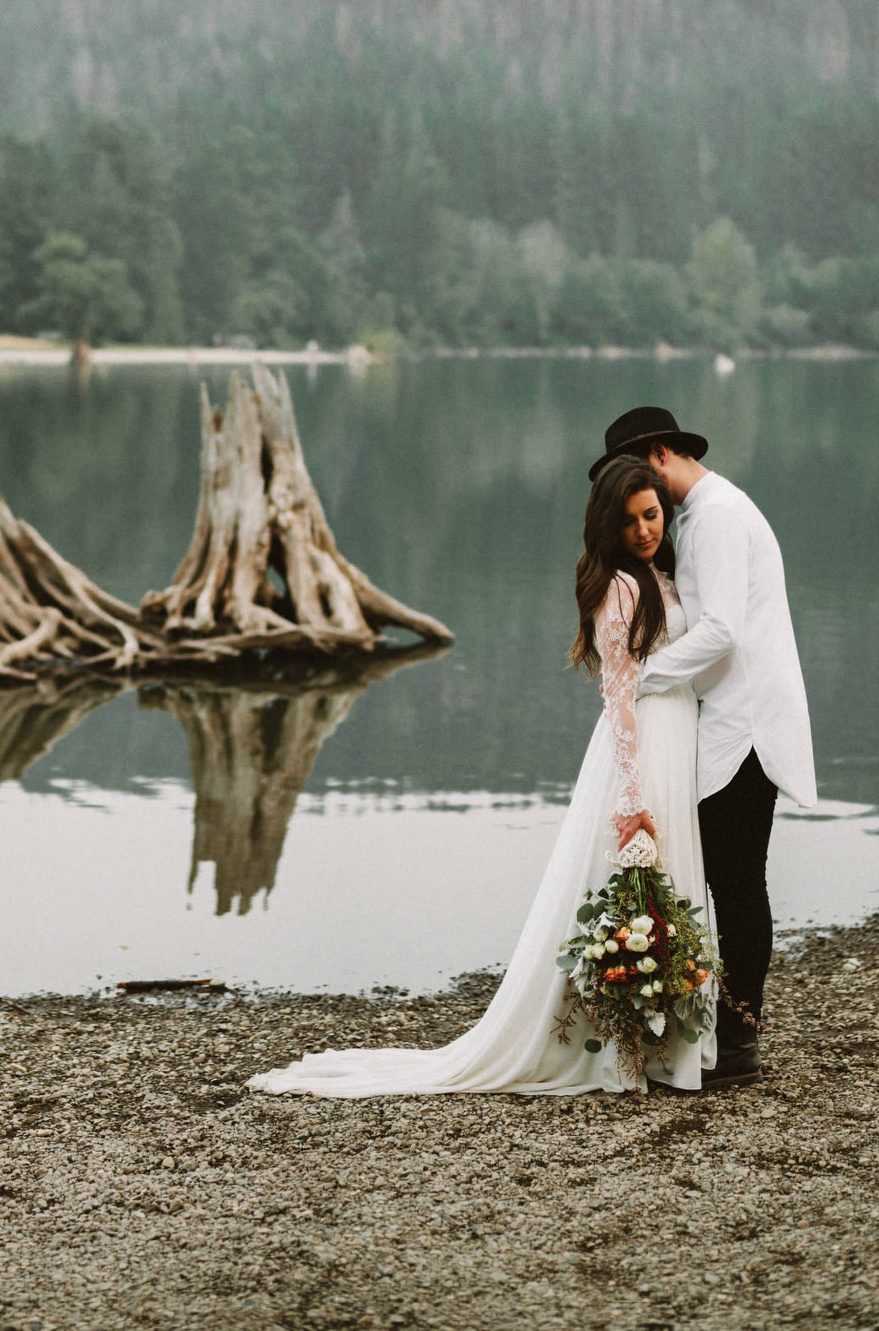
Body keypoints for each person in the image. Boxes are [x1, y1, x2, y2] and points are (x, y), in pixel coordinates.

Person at [247, 457, 714, 1098]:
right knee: (636, 887)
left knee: (666, 890)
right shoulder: (621, 589)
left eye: (651, 515)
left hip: (674, 740)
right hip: (641, 752)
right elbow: (619, 696)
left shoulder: (662, 573)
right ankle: (626, 1054)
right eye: (629, 521)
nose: (643, 531)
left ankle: (664, 1047)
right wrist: (631, 798)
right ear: (608, 525)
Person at [595, 405, 817, 1089]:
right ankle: (719, 1029)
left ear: (660, 456)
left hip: (742, 726)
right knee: (726, 878)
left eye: (640, 478)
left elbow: (719, 629)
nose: (642, 504)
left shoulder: (716, 517)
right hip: (723, 720)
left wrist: (637, 680)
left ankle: (741, 1036)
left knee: (738, 882)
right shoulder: (700, 516)